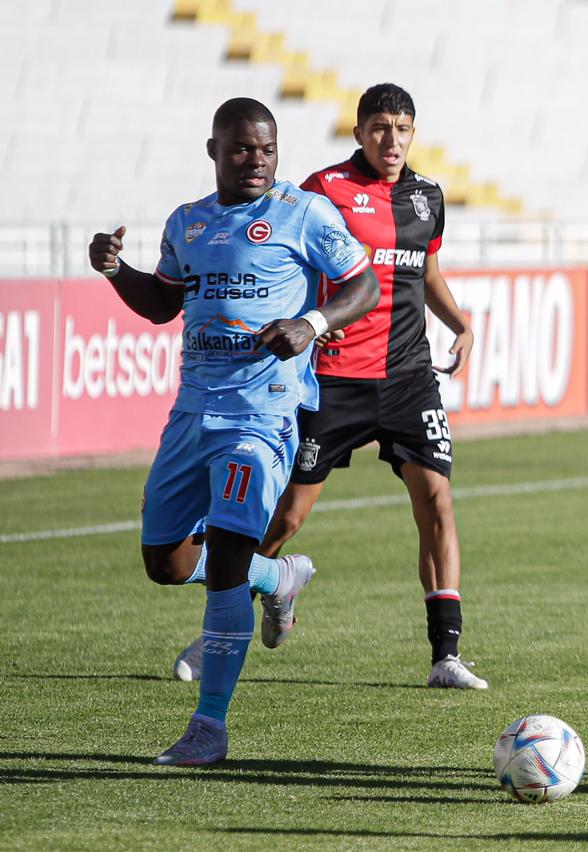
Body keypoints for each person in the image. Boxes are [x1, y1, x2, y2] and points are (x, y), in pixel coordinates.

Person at [88, 97, 379, 766]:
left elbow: (362, 284)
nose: (256, 160)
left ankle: (208, 729)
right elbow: (164, 303)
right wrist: (113, 270)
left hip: (264, 414)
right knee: (167, 563)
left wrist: (311, 324)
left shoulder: (301, 214)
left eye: (267, 149)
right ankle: (276, 580)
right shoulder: (187, 224)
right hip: (192, 414)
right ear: (215, 149)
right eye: (243, 148)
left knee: (222, 559)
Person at [173, 82, 487, 689]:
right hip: (335, 380)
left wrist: (461, 324)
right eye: (378, 128)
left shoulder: (427, 198)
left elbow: (428, 268)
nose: (390, 141)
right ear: (359, 133)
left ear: (414, 134)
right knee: (285, 515)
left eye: (401, 129)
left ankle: (446, 655)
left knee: (438, 504)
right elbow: (291, 260)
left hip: (408, 379)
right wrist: (309, 325)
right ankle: (228, 622)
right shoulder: (325, 190)